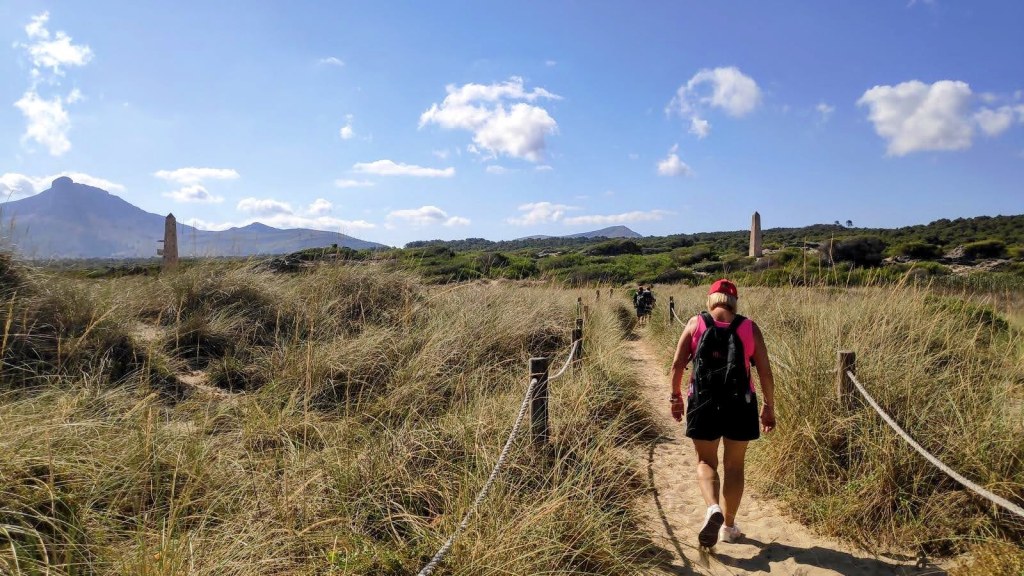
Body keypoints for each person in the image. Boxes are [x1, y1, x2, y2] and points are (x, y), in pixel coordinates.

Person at [668, 279, 776, 548]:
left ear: (711, 300)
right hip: (741, 404)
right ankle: (728, 526)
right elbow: (764, 372)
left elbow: (677, 364)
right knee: (734, 466)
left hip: (702, 402)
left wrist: (676, 398)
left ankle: (712, 507)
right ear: (734, 302)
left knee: (706, 462)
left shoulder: (696, 324)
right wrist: (768, 407)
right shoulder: (750, 328)